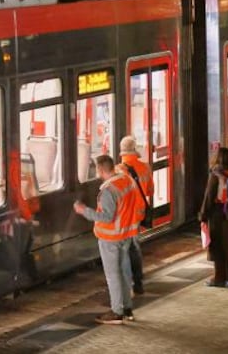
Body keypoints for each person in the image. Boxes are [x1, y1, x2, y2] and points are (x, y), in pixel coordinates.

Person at [74, 155, 145, 325]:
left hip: (110, 238)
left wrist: (84, 211)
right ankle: (127, 309)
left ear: (100, 170)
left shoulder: (108, 191)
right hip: (126, 235)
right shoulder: (127, 180)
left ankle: (116, 312)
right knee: (124, 273)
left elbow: (106, 217)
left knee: (113, 275)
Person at [199, 146, 228, 287]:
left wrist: (203, 216)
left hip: (218, 214)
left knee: (217, 246)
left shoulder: (216, 175)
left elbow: (209, 196)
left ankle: (219, 278)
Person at [117, 135, 152, 296]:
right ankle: (138, 282)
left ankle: (129, 283)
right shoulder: (145, 167)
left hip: (124, 214)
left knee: (125, 248)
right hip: (139, 213)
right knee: (134, 246)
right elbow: (150, 191)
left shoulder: (119, 170)